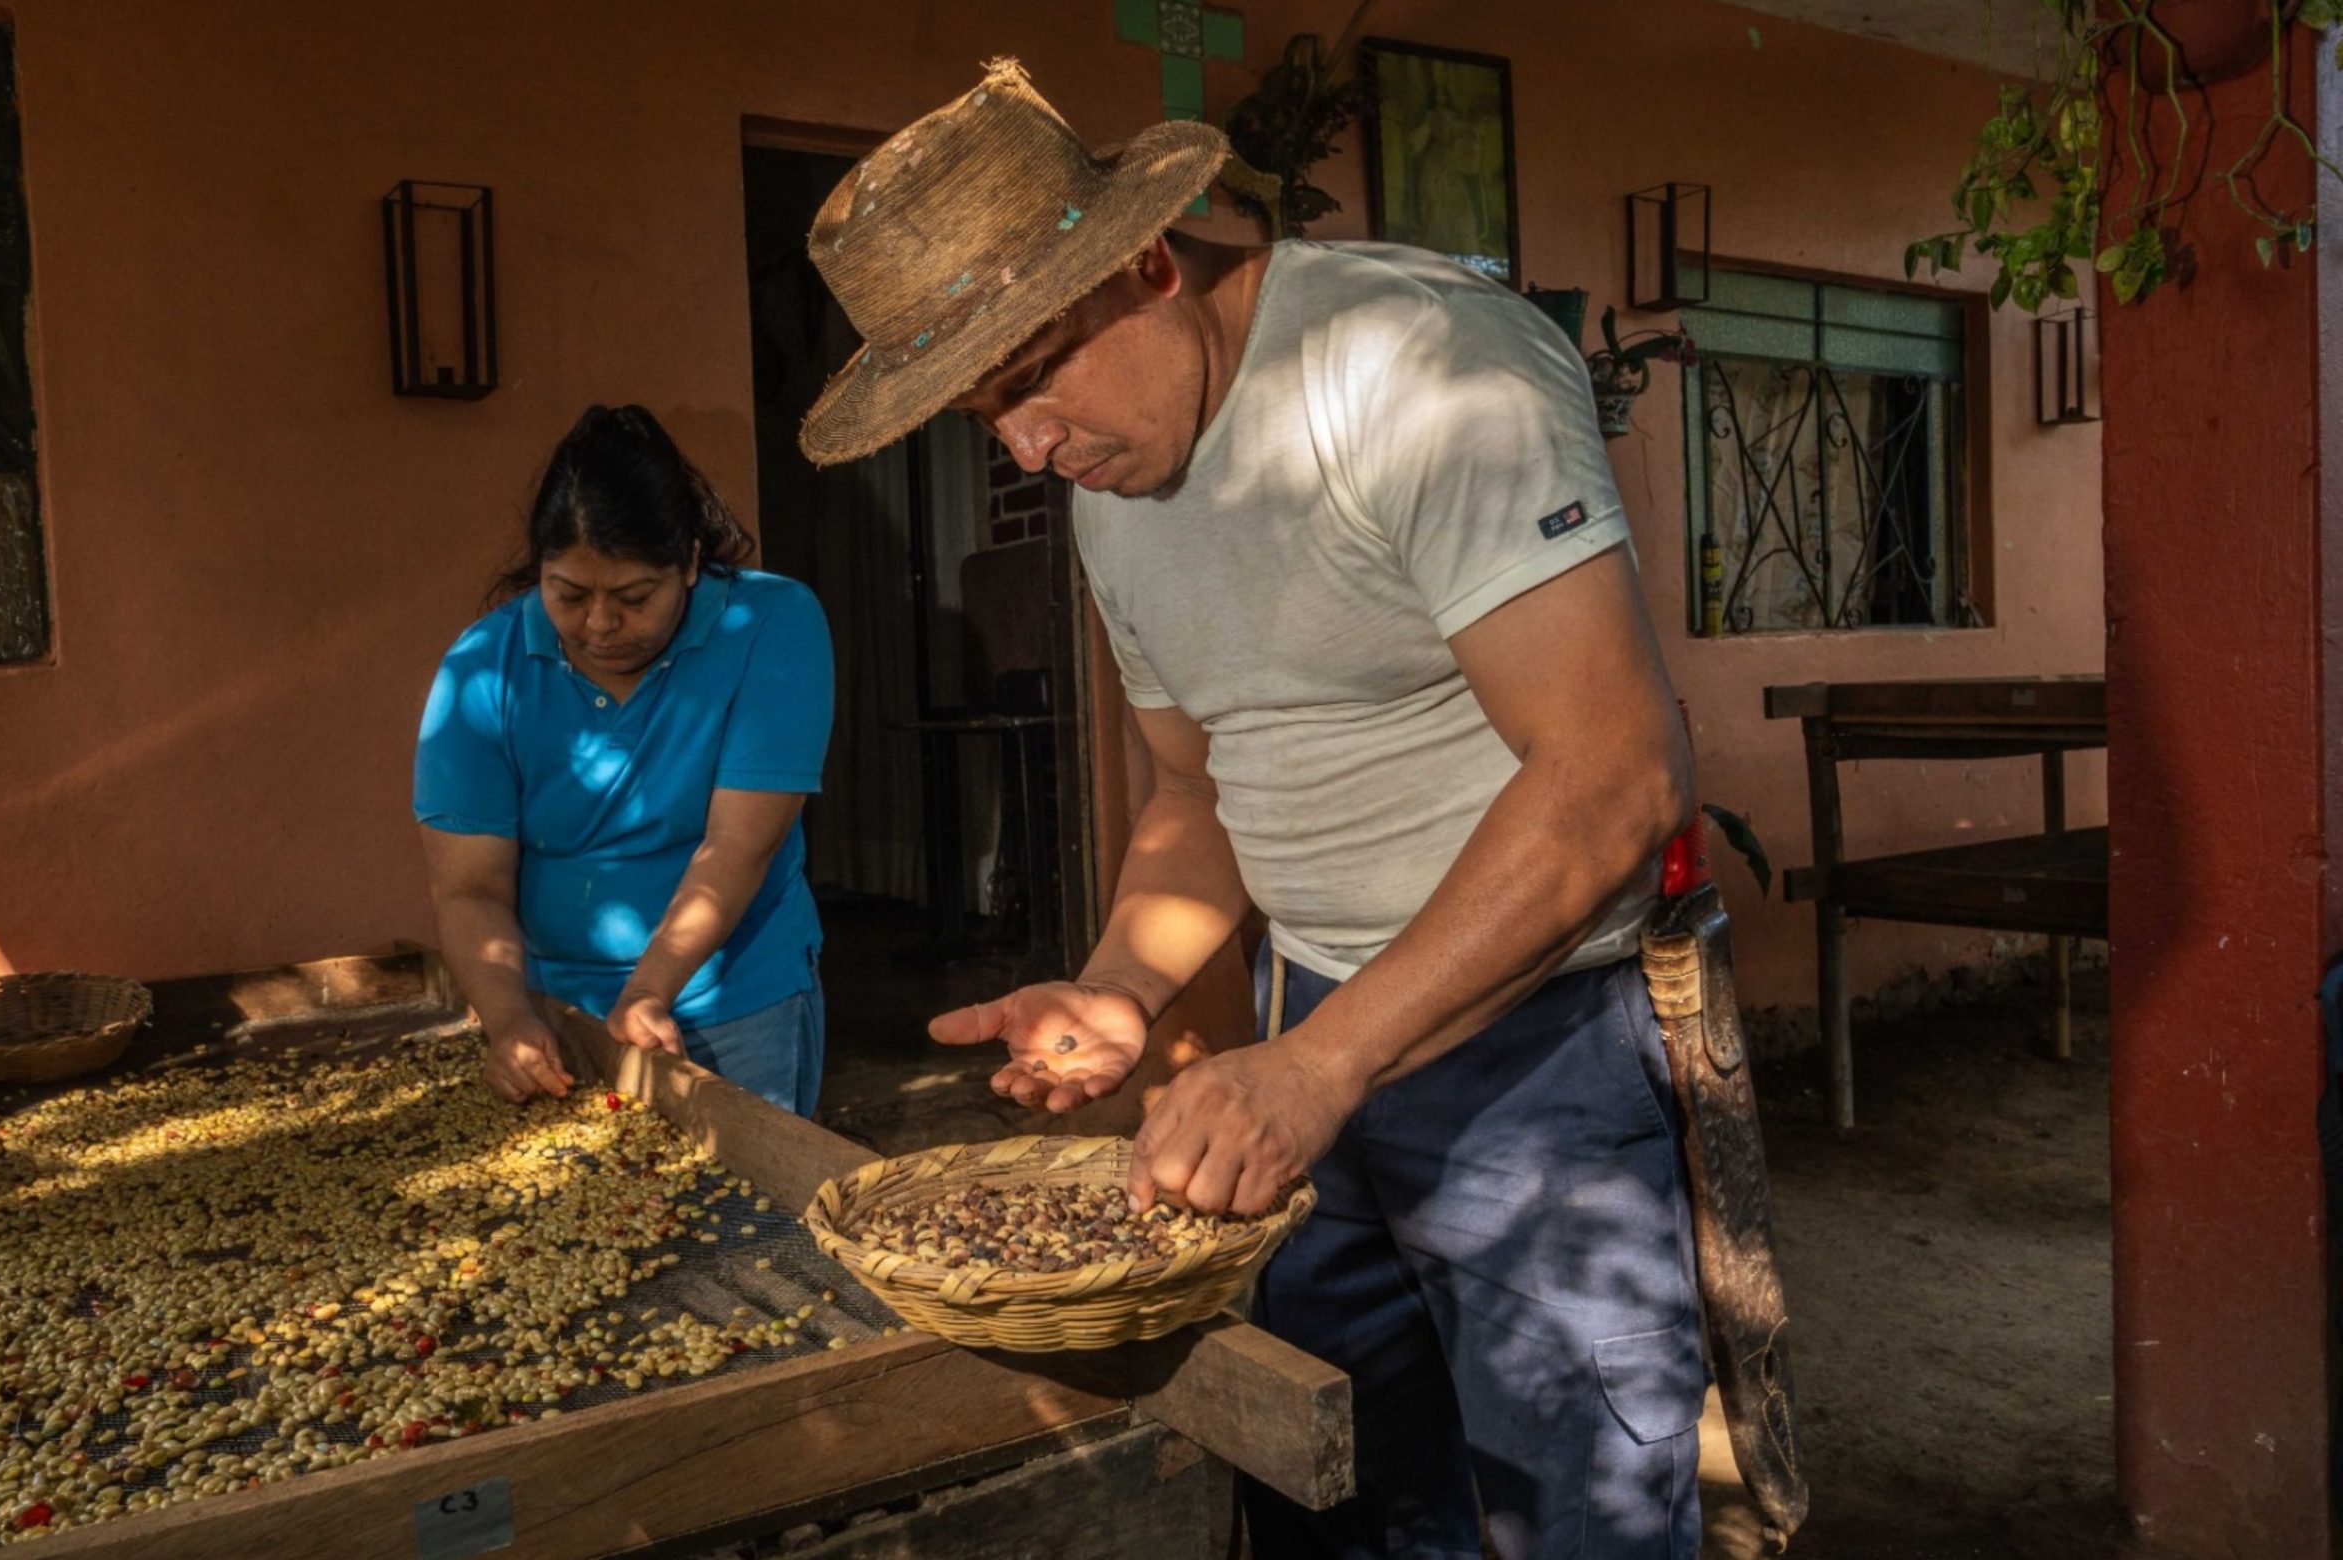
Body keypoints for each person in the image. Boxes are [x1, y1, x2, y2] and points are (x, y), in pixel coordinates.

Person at [796, 62, 1704, 1560]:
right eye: (982, 414)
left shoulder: (1414, 361)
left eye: (1028, 382)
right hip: (1312, 1037)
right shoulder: (1113, 492)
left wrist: (1317, 1069)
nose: (1021, 448)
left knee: (1576, 1513)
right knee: (1330, 1487)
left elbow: (1612, 774)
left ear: (1147, 260)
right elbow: (1192, 788)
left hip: (1534, 1058)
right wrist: (1121, 987)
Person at [416, 405, 834, 1116]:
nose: (601, 626)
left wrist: (650, 991)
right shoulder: (484, 666)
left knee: (747, 1221)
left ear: (693, 563)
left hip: (734, 1001)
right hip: (556, 1012)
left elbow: (736, 847)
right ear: (539, 573)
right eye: (569, 595)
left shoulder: (772, 624)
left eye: (635, 597)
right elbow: (470, 887)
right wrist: (510, 1019)